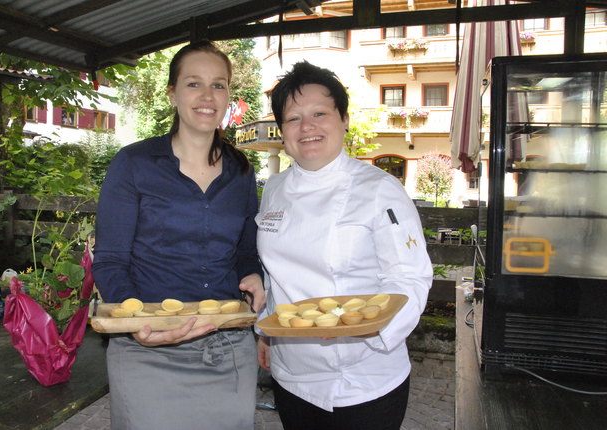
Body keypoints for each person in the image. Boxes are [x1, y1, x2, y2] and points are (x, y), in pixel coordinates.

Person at [92, 40, 265, 430]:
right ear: (172, 93)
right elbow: (110, 260)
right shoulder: (134, 164)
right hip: (147, 347)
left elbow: (245, 253)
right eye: (193, 84)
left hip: (226, 346)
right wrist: (139, 324)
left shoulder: (241, 171)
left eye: (218, 85)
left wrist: (253, 274)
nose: (207, 96)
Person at [255, 61, 433, 430]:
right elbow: (274, 275)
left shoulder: (379, 188)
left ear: (344, 119)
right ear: (282, 129)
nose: (307, 127)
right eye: (293, 118)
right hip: (291, 373)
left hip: (361, 377)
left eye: (320, 113)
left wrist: (363, 328)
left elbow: (410, 278)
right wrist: (267, 332)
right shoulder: (273, 189)